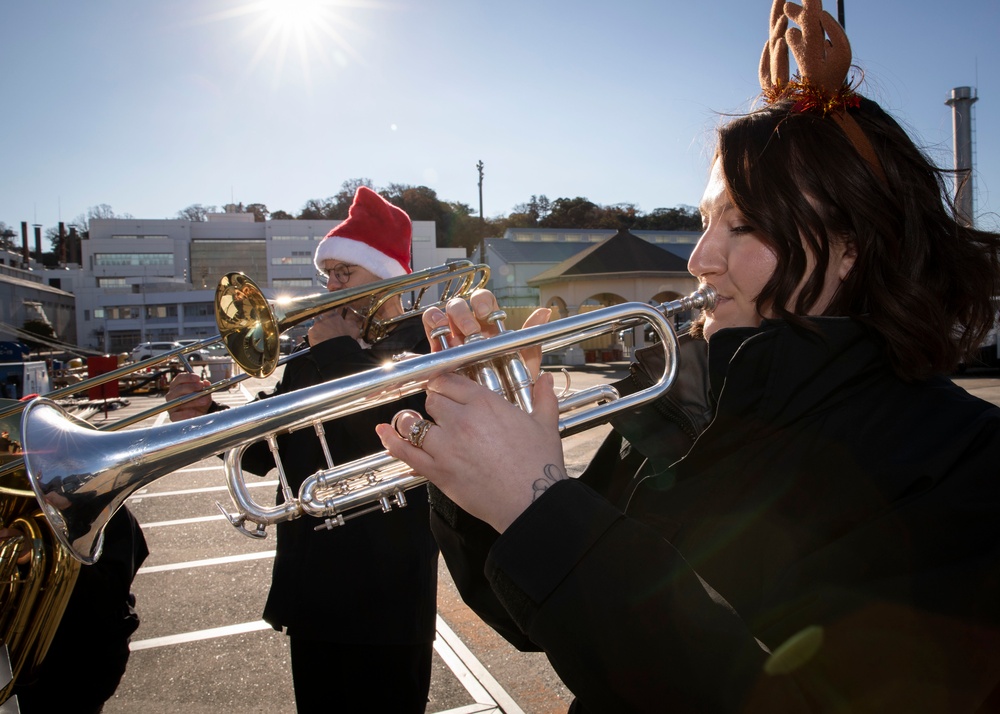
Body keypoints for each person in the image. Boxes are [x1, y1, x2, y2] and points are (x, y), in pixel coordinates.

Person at [376, 1, 1000, 711]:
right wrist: (475, 469)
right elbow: (534, 621)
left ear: (854, 248)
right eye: (706, 220)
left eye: (746, 225)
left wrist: (542, 506)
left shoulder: (965, 462)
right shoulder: (681, 397)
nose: (700, 259)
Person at [167, 186, 438, 713]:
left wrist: (336, 349)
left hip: (388, 600)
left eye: (344, 273)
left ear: (386, 275)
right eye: (328, 273)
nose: (329, 286)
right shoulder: (313, 354)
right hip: (314, 592)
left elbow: (399, 430)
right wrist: (204, 420)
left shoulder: (422, 340)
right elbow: (266, 450)